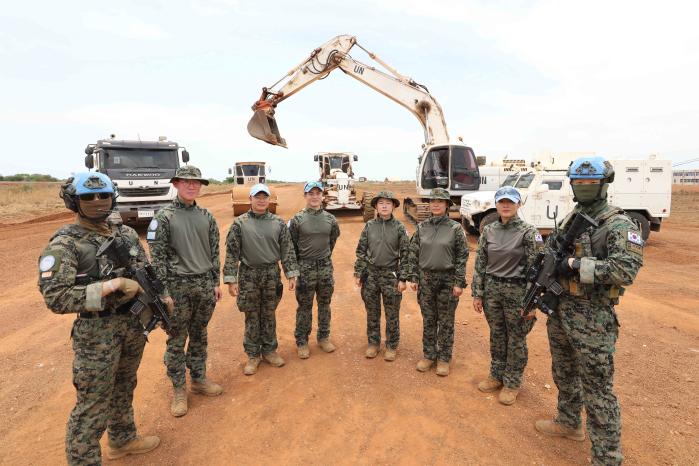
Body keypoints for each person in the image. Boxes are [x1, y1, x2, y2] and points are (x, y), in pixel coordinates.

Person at [38, 172, 162, 464]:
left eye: (103, 195)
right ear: (74, 202)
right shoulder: (65, 244)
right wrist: (112, 286)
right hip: (96, 334)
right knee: (92, 404)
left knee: (124, 386)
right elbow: (57, 298)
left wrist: (160, 295)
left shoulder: (127, 234)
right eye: (88, 197)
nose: (97, 202)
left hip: (131, 326)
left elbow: (145, 270)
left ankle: (122, 439)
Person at [534, 156, 644, 466]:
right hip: (561, 310)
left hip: (592, 316)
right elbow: (555, 249)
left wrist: (573, 265)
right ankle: (569, 422)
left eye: (590, 183)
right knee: (564, 372)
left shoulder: (619, 223)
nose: (583, 188)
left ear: (603, 184)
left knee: (598, 388)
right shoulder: (573, 217)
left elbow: (625, 271)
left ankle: (607, 457)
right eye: (578, 183)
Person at [147, 165, 223, 418]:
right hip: (177, 287)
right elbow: (156, 258)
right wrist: (164, 293)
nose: (192, 186)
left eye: (196, 182)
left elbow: (214, 252)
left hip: (203, 284)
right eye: (187, 182)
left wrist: (215, 282)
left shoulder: (207, 216)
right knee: (177, 339)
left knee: (200, 334)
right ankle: (179, 388)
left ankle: (199, 379)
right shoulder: (164, 217)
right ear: (176, 184)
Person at [471, 186, 543, 405]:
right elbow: (481, 263)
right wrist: (478, 292)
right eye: (501, 201)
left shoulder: (529, 232)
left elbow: (538, 268)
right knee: (497, 334)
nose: (505, 205)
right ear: (496, 204)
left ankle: (512, 382)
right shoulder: (489, 230)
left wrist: (532, 302)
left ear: (518, 205)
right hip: (493, 289)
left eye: (510, 202)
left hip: (518, 292)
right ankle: (496, 375)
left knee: (516, 338)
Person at [223, 183, 299, 375]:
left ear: (269, 200)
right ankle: (252, 355)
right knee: (251, 315)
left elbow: (287, 250)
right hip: (249, 275)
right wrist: (231, 279)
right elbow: (232, 253)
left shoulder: (278, 223)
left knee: (269, 312)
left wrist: (291, 273)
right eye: (258, 197)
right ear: (250, 199)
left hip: (271, 274)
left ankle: (270, 351)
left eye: (265, 197)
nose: (261, 200)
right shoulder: (240, 223)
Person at [407, 188, 469, 376]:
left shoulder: (455, 228)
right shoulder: (422, 227)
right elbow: (413, 252)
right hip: (426, 279)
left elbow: (462, 256)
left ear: (447, 205)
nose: (435, 204)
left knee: (446, 321)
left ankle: (444, 358)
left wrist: (459, 282)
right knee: (429, 319)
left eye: (440, 202)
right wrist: (414, 276)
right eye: (432, 201)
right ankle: (429, 355)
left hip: (447, 280)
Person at [354, 191, 410, 361]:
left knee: (392, 312)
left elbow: (406, 254)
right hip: (371, 274)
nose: (384, 206)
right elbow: (361, 251)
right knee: (372, 311)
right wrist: (358, 272)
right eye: (381, 203)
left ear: (393, 206)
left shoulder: (400, 228)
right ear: (376, 207)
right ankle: (373, 343)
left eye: (388, 203)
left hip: (390, 275)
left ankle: (392, 345)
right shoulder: (369, 226)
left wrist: (402, 278)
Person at [288, 181, 341, 359]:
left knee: (325, 304)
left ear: (322, 196)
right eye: (311, 193)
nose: (314, 196)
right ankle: (302, 341)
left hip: (325, 267)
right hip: (305, 268)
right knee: (304, 306)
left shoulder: (330, 219)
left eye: (318, 193)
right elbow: (292, 246)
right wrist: (295, 270)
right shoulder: (297, 220)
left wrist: (323, 257)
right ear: (305, 196)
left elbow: (332, 241)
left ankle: (323, 337)